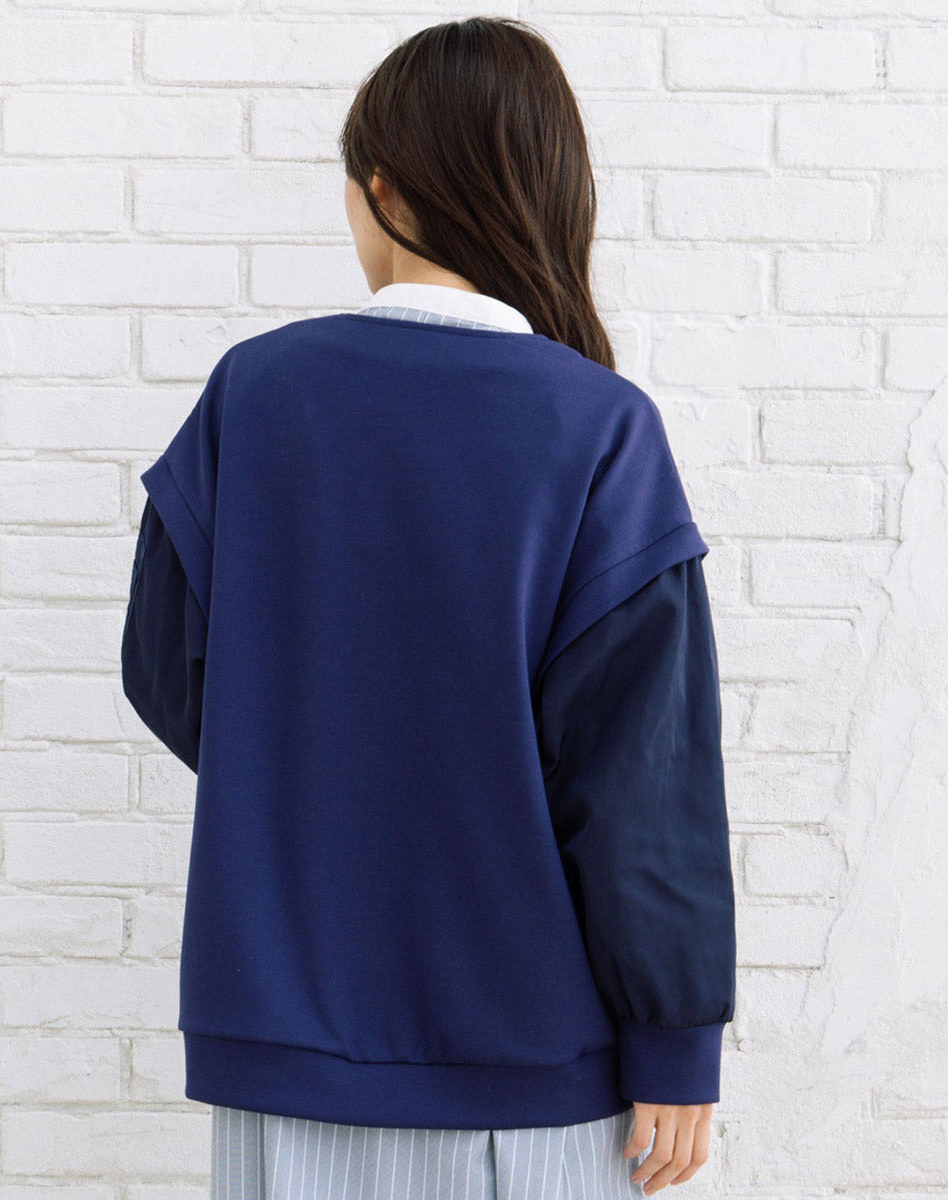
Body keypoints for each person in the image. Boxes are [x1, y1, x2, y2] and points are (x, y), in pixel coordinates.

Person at [121, 16, 736, 1200]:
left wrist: (310, 782)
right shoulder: (598, 426)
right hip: (535, 1067)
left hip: (285, 1052)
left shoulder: (254, 395)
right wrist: (675, 1039)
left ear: (386, 190)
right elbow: (641, 777)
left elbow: (168, 669)